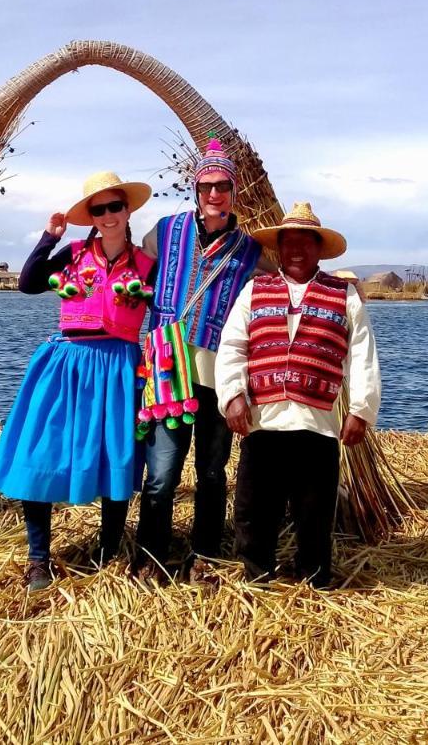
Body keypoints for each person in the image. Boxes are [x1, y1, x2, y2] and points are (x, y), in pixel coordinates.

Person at [0, 171, 155, 591]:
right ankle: (38, 558)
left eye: (115, 206)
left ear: (127, 209)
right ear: (91, 217)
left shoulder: (147, 266)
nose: (108, 215)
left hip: (118, 364)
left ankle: (107, 552)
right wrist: (49, 237)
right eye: (99, 209)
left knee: (116, 455)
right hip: (68, 361)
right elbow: (27, 284)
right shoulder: (73, 254)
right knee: (42, 452)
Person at [215, 202, 380, 589]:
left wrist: (361, 410)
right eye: (289, 242)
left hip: (316, 423)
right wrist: (233, 395)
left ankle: (314, 576)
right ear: (279, 247)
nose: (296, 250)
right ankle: (258, 575)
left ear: (318, 249)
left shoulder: (344, 296)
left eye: (305, 243)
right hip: (264, 421)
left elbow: (361, 354)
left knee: (315, 509)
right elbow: (233, 346)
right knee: (255, 507)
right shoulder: (256, 290)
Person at [135, 137, 269, 580]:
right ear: (196, 190)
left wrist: (342, 284)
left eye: (224, 187)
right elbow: (132, 274)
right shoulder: (164, 232)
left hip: (217, 376)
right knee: (162, 473)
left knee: (212, 473)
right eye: (208, 186)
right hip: (168, 372)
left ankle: (204, 556)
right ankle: (151, 554)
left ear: (234, 193)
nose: (216, 195)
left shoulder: (250, 251)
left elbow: (284, 280)